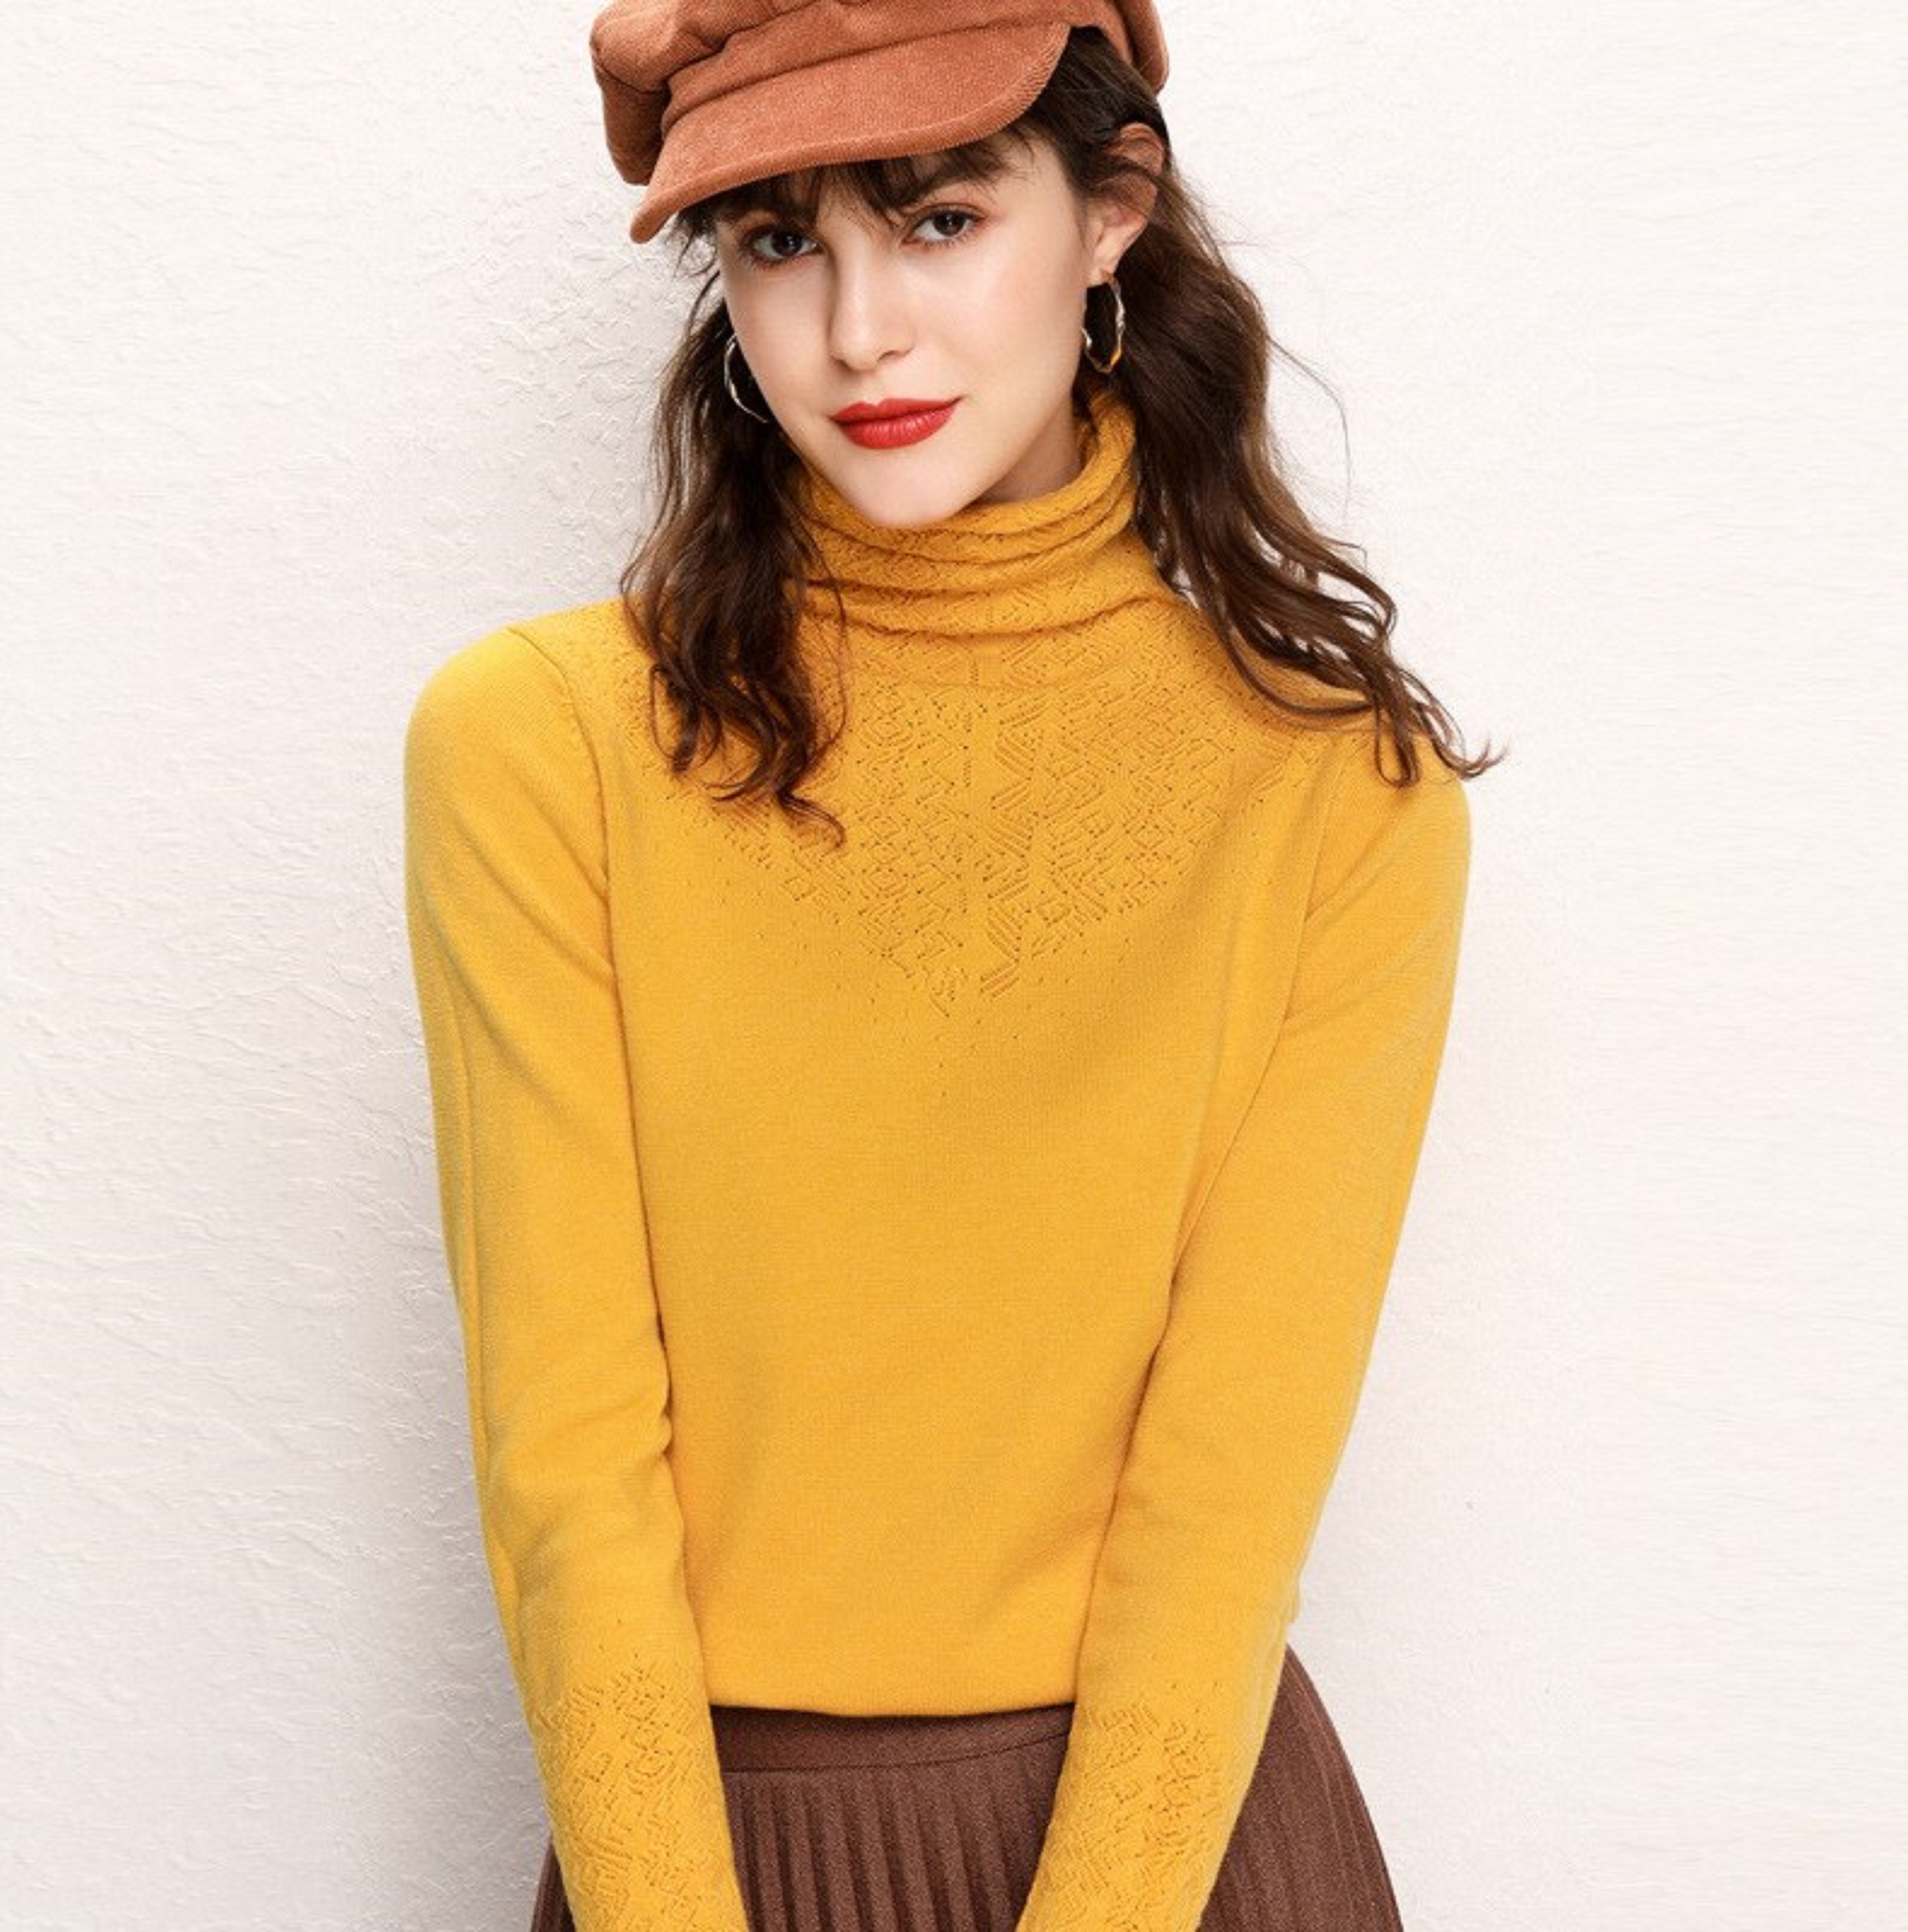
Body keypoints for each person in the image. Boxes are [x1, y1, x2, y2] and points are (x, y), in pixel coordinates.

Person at [400, 2, 1500, 1929]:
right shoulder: (541, 745)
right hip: (712, 1853)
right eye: (779, 241)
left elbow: (1227, 1495)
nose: (858, 332)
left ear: (1111, 209)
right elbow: (565, 1465)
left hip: (1178, 1852)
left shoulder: (1333, 786)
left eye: (937, 220)